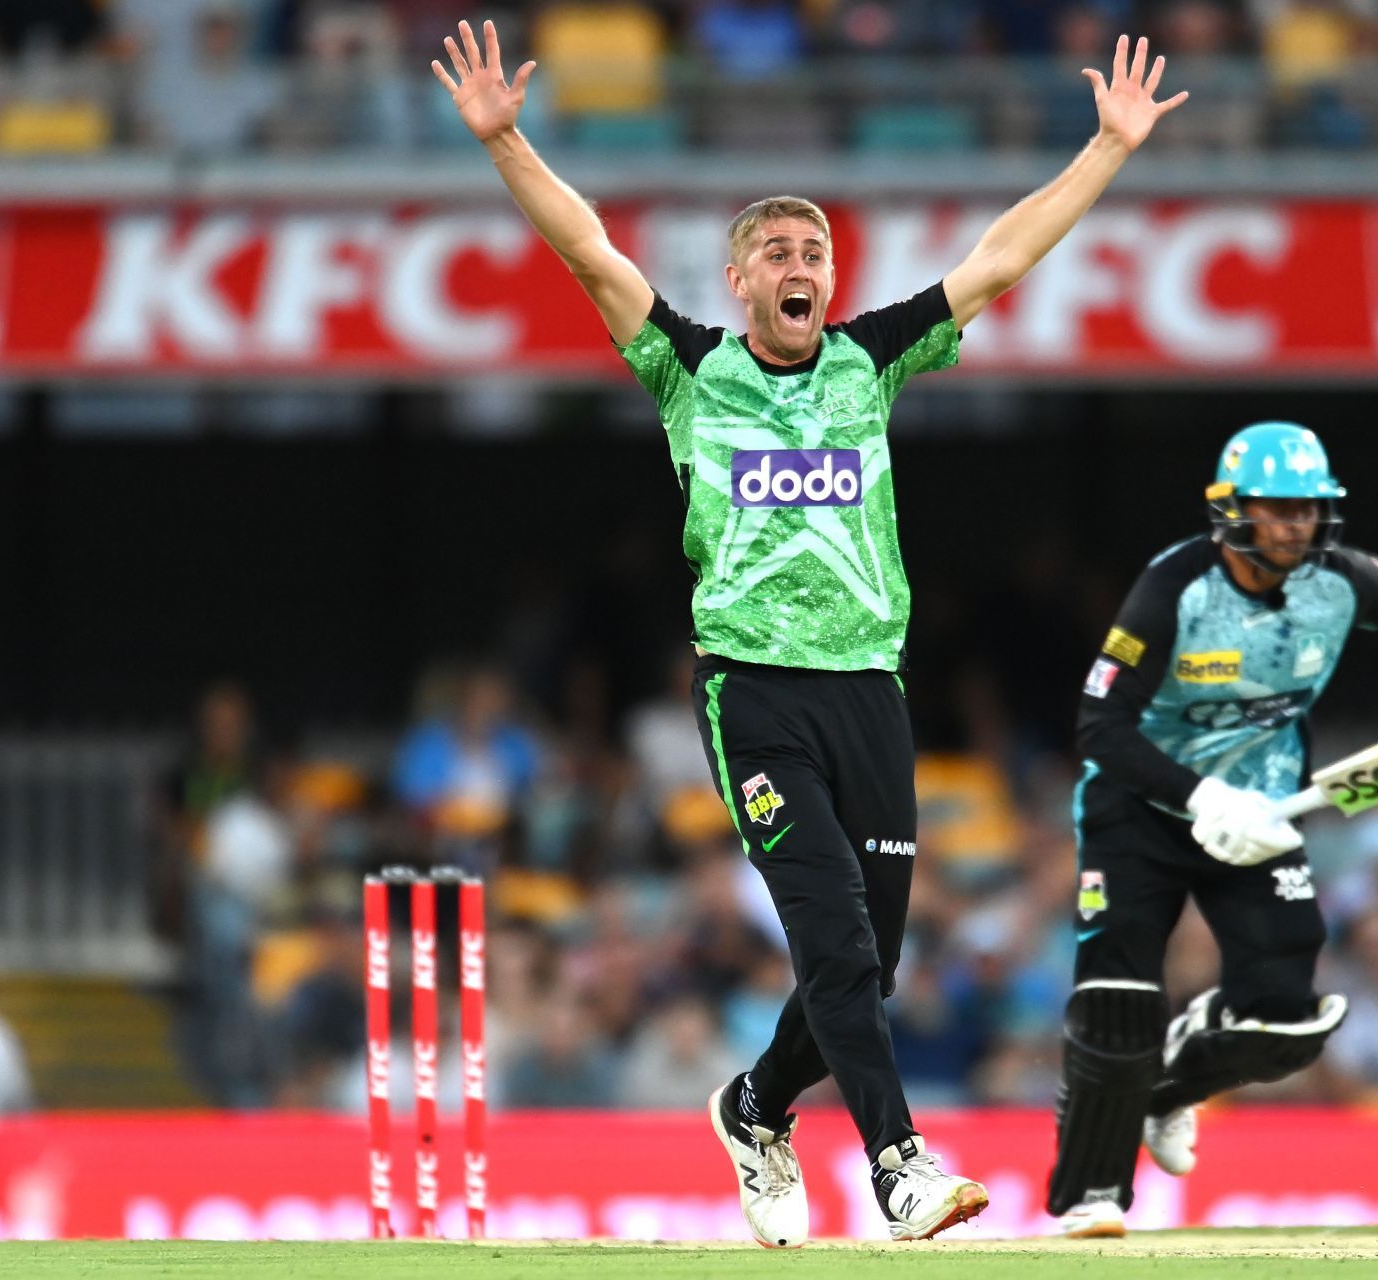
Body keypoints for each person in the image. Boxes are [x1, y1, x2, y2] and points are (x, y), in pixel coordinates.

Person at [431, 16, 1187, 1247]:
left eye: (814, 247)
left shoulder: (869, 361)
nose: (799, 261)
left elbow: (1000, 259)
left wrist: (1107, 148)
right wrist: (507, 143)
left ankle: (753, 1105)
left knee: (866, 966)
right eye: (774, 248)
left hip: (869, 694)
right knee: (834, 934)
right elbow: (586, 248)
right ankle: (898, 1166)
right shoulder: (688, 369)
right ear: (739, 280)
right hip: (756, 690)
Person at [1044, 422, 1378, 1237]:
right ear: (1232, 510)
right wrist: (1202, 797)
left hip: (1266, 810)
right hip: (1141, 808)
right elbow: (1100, 723)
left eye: (1308, 510)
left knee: (1288, 1024)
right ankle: (1093, 1195)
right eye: (1277, 509)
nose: (1295, 526)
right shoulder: (1174, 589)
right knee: (1117, 1001)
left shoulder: (1338, 583)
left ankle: (1167, 1088)